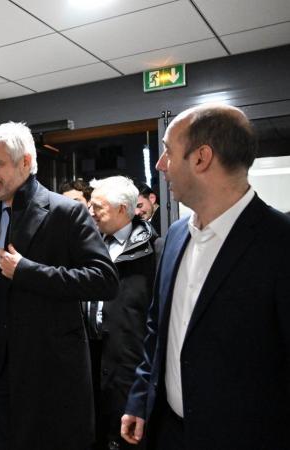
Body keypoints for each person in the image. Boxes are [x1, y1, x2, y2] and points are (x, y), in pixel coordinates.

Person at [0, 121, 120, 450]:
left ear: (25, 162)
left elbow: (104, 280)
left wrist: (28, 271)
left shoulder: (66, 213)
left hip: (47, 370)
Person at [120, 104, 290, 450]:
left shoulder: (280, 243)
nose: (160, 165)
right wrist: (140, 398)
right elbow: (158, 328)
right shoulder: (174, 237)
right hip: (168, 432)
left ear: (201, 158)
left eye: (167, 151)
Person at [86, 176, 159, 450]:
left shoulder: (153, 250)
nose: (90, 212)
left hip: (130, 369)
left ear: (121, 209)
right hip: (91, 362)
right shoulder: (89, 244)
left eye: (97, 207)